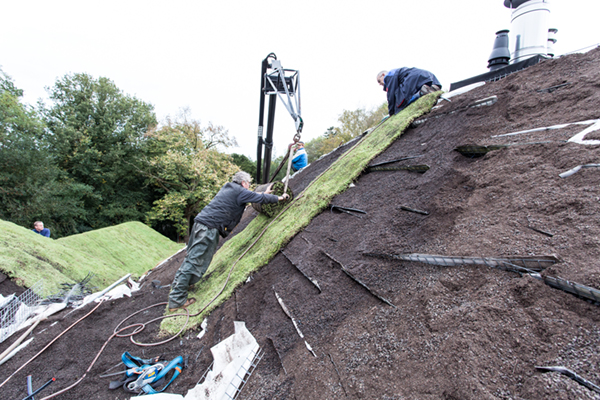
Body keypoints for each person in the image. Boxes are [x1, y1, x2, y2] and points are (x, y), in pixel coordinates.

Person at [168, 171, 290, 311]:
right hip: (208, 229)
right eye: (248, 183)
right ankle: (176, 300)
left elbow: (255, 196)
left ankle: (187, 283)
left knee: (193, 257)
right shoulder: (240, 191)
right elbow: (257, 198)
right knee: (194, 260)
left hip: (200, 225)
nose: (249, 186)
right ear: (244, 183)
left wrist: (265, 193)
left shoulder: (229, 188)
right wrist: (281, 197)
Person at [377, 68, 442, 116]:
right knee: (402, 94)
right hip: (427, 76)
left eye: (379, 81)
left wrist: (391, 113)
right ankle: (432, 88)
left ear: (383, 75)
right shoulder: (400, 73)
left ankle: (421, 93)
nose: (379, 84)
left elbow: (391, 95)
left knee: (399, 103)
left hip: (412, 79)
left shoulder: (389, 75)